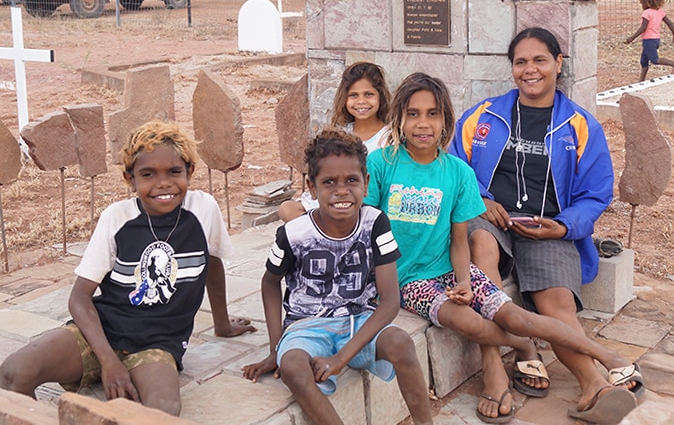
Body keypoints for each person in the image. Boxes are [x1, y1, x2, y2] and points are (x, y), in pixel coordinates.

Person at [366, 72, 641, 423]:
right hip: (407, 280)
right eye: (413, 114)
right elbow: (369, 229)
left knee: (517, 315)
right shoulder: (382, 164)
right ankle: (524, 345)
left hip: (449, 269)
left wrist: (464, 281)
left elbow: (458, 239)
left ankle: (607, 357)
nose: (423, 124)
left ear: (446, 120)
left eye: (433, 114)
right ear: (399, 119)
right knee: (468, 321)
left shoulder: (458, 173)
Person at [449, 28, 643, 423]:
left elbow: (596, 192)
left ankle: (594, 383)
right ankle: (494, 370)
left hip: (548, 227)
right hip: (489, 220)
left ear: (558, 63)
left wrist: (565, 225)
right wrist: (480, 201)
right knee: (482, 248)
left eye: (540, 60)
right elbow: (454, 171)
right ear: (512, 69)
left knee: (556, 302)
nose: (530, 70)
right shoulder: (483, 116)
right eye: (521, 62)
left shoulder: (579, 125)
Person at [0, 120, 254, 416]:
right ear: (130, 179)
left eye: (174, 171)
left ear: (190, 172)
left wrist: (222, 325)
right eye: (148, 174)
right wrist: (109, 363)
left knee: (163, 410)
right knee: (14, 372)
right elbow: (79, 298)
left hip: (156, 345)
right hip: (101, 332)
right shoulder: (117, 217)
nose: (163, 183)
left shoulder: (203, 210)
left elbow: (212, 263)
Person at [242, 129, 433, 425]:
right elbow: (269, 283)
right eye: (329, 182)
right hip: (306, 326)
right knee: (292, 367)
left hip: (359, 321)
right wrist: (275, 346)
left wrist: (340, 358)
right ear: (311, 187)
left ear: (366, 183)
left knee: (401, 343)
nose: (341, 191)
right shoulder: (293, 234)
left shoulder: (375, 223)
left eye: (351, 181)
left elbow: (390, 302)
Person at [278, 61, 391, 223]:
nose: (361, 102)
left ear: (380, 96)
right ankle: (322, 231)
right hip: (329, 201)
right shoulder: (339, 135)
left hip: (360, 205)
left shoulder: (388, 139)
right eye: (353, 95)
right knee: (286, 209)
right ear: (344, 98)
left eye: (368, 94)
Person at [625, 0, 674, 81]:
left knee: (655, 60)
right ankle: (641, 80)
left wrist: (631, 38)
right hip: (656, 40)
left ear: (647, 2)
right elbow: (670, 23)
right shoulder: (660, 11)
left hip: (648, 40)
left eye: (642, 3)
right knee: (644, 60)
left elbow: (643, 27)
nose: (641, 5)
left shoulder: (647, 13)